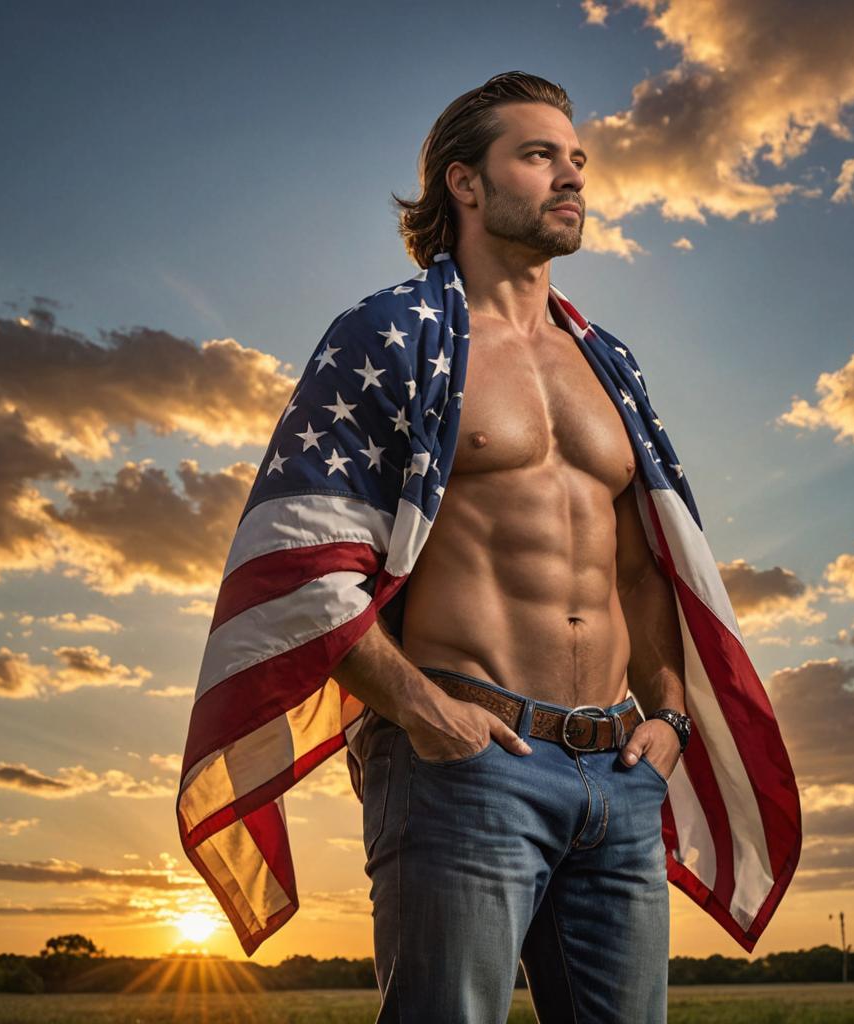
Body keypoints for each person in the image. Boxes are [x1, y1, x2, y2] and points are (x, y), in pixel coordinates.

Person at [330, 70, 688, 1024]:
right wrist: (420, 714)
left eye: (577, 160)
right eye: (539, 156)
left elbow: (644, 565)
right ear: (466, 184)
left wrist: (671, 720)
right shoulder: (396, 337)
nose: (571, 177)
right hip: (468, 760)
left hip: (618, 769)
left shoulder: (609, 363)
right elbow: (305, 565)